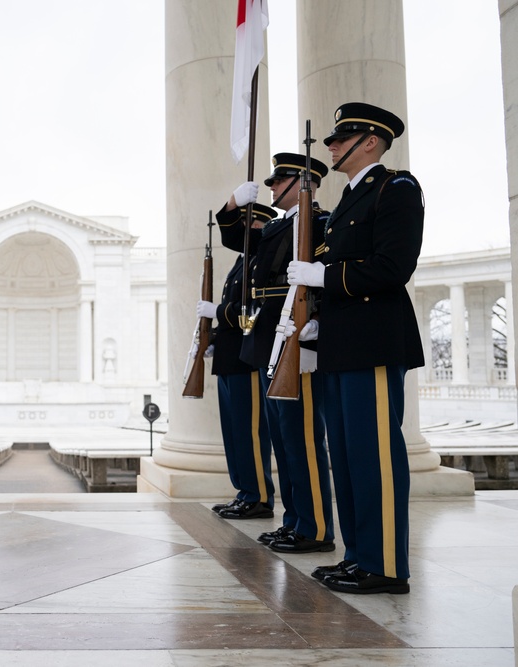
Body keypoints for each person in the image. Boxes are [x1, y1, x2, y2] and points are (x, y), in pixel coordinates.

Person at [287, 102, 423, 595]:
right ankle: (359, 555)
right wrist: (315, 318)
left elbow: (393, 266)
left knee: (375, 456)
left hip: (375, 340)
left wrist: (324, 276)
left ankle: (386, 566)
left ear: (371, 141)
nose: (329, 145)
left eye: (341, 137)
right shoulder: (347, 199)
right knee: (344, 455)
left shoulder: (396, 188)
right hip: (341, 343)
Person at [217, 154, 335, 554]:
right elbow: (236, 239)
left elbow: (321, 277)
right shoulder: (277, 229)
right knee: (284, 440)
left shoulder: (319, 223)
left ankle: (315, 527)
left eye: (278, 181)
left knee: (302, 438)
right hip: (268, 339)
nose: (270, 188)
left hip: (293, 337)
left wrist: (314, 323)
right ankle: (295, 520)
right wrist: (232, 205)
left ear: (303, 183)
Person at [199, 203, 276, 520]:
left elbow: (252, 311)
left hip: (247, 357)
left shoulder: (261, 260)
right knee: (233, 432)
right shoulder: (242, 260)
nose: (242, 231)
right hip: (231, 356)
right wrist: (213, 338)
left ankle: (258, 496)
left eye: (247, 224)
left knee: (251, 430)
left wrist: (216, 313)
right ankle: (244, 491)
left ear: (259, 226)